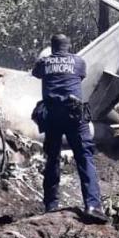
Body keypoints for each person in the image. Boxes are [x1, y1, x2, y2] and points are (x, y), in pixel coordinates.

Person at [31, 34, 107, 223]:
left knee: (52, 158)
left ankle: (51, 204)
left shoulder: (44, 62)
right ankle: (93, 206)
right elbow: (80, 77)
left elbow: (36, 73)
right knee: (84, 157)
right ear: (69, 46)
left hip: (52, 116)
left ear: (52, 47)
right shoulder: (78, 61)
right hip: (75, 116)